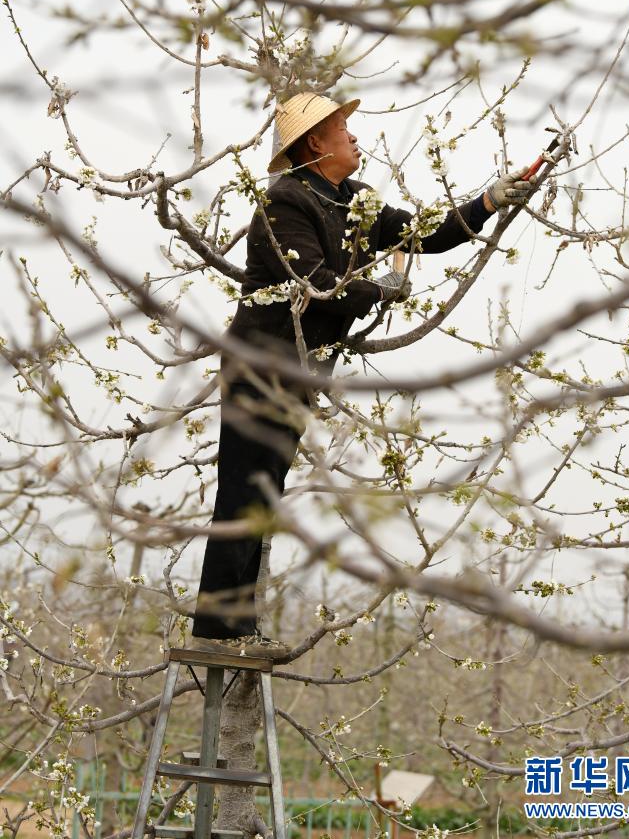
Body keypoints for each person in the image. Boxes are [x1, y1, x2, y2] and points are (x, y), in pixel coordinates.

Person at [192, 92, 536, 655]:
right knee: (243, 490)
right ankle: (217, 628)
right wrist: (380, 290)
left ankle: (237, 625)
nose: (353, 137)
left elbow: (425, 233)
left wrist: (488, 201)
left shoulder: (356, 200)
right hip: (261, 368)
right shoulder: (285, 202)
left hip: (302, 373)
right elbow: (316, 282)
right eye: (342, 129)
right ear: (314, 142)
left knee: (263, 492)